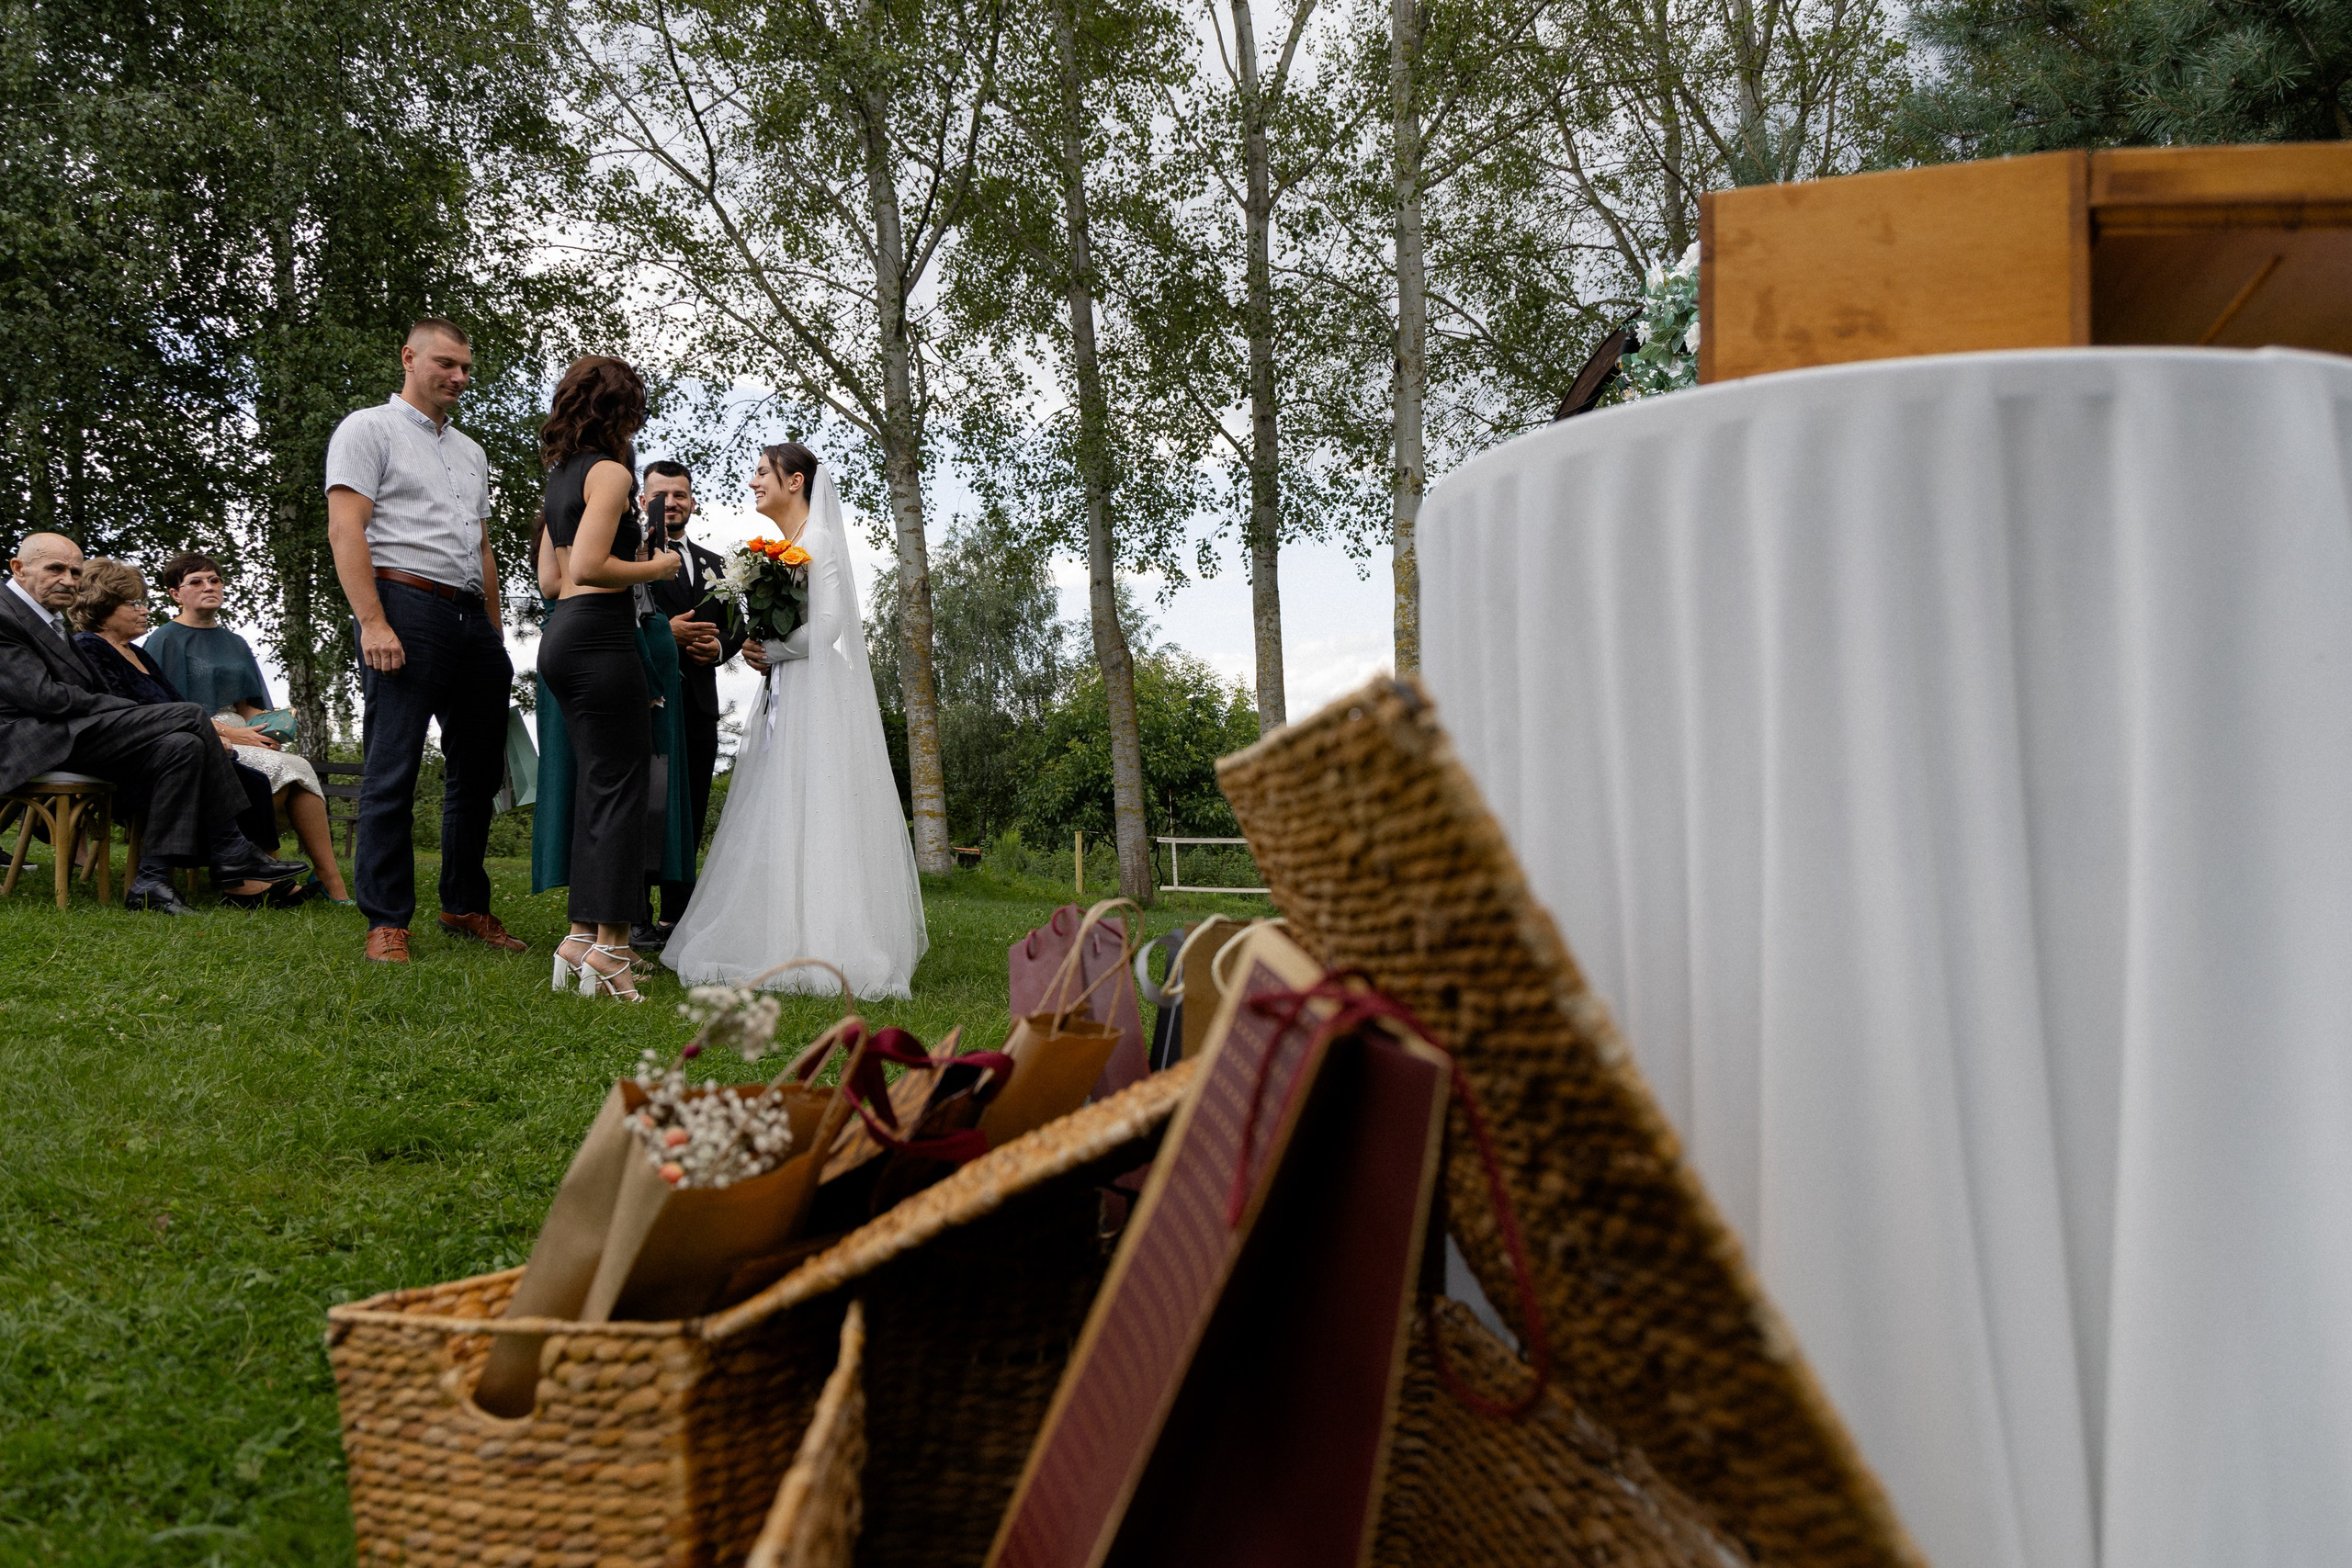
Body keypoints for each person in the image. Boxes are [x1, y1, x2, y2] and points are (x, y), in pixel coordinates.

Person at [663, 444, 927, 998]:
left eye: (763, 473)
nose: (754, 481)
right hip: (787, 689)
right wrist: (758, 646)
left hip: (814, 692)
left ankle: (830, 939)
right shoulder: (779, 550)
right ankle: (777, 930)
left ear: (795, 481)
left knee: (817, 804)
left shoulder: (819, 542)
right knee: (779, 803)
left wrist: (773, 651)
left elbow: (828, 625)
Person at [324, 317, 526, 964]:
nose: (460, 377)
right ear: (408, 357)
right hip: (403, 604)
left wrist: (494, 630)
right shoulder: (366, 429)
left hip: (471, 619)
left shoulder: (472, 452)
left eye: (467, 368)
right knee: (393, 768)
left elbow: (482, 545)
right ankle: (386, 919)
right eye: (447, 364)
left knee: (478, 770)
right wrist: (374, 621)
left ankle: (465, 903)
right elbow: (345, 530)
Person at [0, 533, 303, 913]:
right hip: (30, 739)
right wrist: (114, 706)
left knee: (185, 745)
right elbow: (42, 697)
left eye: (75, 571)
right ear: (19, 568)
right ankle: (231, 849)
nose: (69, 579)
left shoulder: (48, 618)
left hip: (68, 730)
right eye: (55, 569)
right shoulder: (6, 613)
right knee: (191, 715)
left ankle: (152, 882)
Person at [536, 355, 681, 1001]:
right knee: (621, 791)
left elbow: (550, 578)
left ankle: (580, 936)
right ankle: (614, 950)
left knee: (599, 789)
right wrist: (659, 567)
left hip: (560, 638)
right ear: (621, 410)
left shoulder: (560, 476)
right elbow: (593, 565)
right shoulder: (612, 474)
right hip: (598, 636)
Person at [68, 558, 321, 908]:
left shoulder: (139, 655)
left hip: (171, 758)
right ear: (103, 607)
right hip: (128, 763)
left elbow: (170, 707)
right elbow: (120, 712)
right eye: (134, 604)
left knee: (250, 779)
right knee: (190, 738)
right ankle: (233, 865)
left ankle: (227, 879)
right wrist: (213, 735)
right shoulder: (89, 647)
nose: (144, 611)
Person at [141, 551, 354, 903]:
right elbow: (168, 709)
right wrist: (231, 734)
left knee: (298, 766)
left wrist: (271, 726)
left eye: (214, 580)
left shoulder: (235, 642)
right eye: (196, 582)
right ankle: (251, 881)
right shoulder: (164, 640)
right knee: (274, 770)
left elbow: (247, 705)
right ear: (175, 594)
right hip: (198, 737)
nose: (208, 587)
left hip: (243, 732)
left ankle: (330, 878)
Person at [638, 459, 743, 949]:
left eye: (680, 494)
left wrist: (718, 647)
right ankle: (634, 914)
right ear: (643, 500)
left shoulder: (717, 564)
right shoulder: (629, 554)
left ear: (693, 502)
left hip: (699, 701)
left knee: (691, 805)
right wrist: (667, 634)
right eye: (662, 495)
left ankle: (677, 917)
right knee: (645, 801)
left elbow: (737, 626)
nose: (672, 503)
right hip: (647, 695)